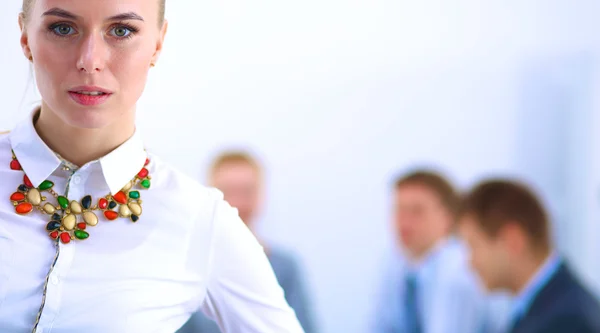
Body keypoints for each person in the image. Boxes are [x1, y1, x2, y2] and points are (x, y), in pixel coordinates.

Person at [0, 1, 304, 332]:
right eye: (62, 28)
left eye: (121, 31)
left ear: (158, 43)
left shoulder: (199, 219)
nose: (90, 61)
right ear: (25, 37)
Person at [178, 151, 317, 333]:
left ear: (261, 195)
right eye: (227, 192)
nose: (237, 203)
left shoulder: (285, 267)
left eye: (247, 191)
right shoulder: (185, 267)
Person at [458, 179, 600, 333]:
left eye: (473, 246)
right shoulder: (543, 307)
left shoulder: (567, 321)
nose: (470, 263)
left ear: (513, 240)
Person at [371, 170, 490, 333]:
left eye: (416, 211)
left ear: (448, 218)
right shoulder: (395, 263)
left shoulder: (461, 269)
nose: (404, 222)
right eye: (399, 210)